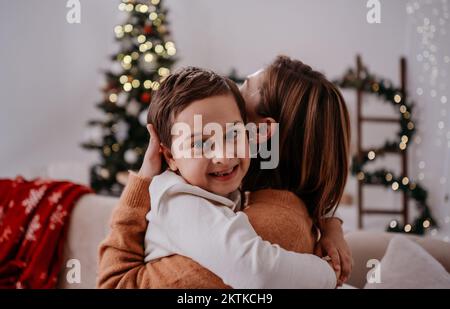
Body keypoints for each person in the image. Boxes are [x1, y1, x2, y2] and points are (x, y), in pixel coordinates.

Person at [97, 55, 352, 288]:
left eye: (246, 87)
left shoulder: (270, 222)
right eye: (200, 142)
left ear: (263, 132)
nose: (234, 89)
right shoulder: (199, 195)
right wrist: (327, 226)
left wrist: (328, 229)